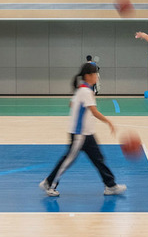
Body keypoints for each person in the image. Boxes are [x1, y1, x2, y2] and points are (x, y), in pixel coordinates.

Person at [39, 62, 126, 197]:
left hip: (87, 134)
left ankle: (110, 185)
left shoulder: (82, 89)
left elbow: (71, 103)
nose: (97, 77)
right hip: (80, 135)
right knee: (67, 161)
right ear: (88, 76)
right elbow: (94, 112)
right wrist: (108, 122)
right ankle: (48, 183)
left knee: (99, 159)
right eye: (95, 75)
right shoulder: (85, 91)